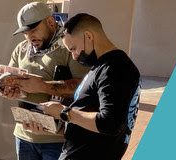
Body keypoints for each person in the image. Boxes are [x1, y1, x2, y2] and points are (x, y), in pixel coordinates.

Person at [40, 13, 142, 160]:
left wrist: (64, 112)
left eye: (74, 48)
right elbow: (89, 121)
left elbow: (110, 124)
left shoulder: (115, 67)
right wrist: (51, 127)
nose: (74, 56)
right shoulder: (104, 66)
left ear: (88, 36)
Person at [1, 2, 90, 160]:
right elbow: (12, 80)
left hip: (57, 139)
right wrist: (12, 91)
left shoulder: (69, 47)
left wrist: (43, 86)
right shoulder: (20, 49)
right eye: (25, 32)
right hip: (24, 134)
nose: (29, 37)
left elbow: (84, 87)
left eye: (34, 30)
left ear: (50, 22)